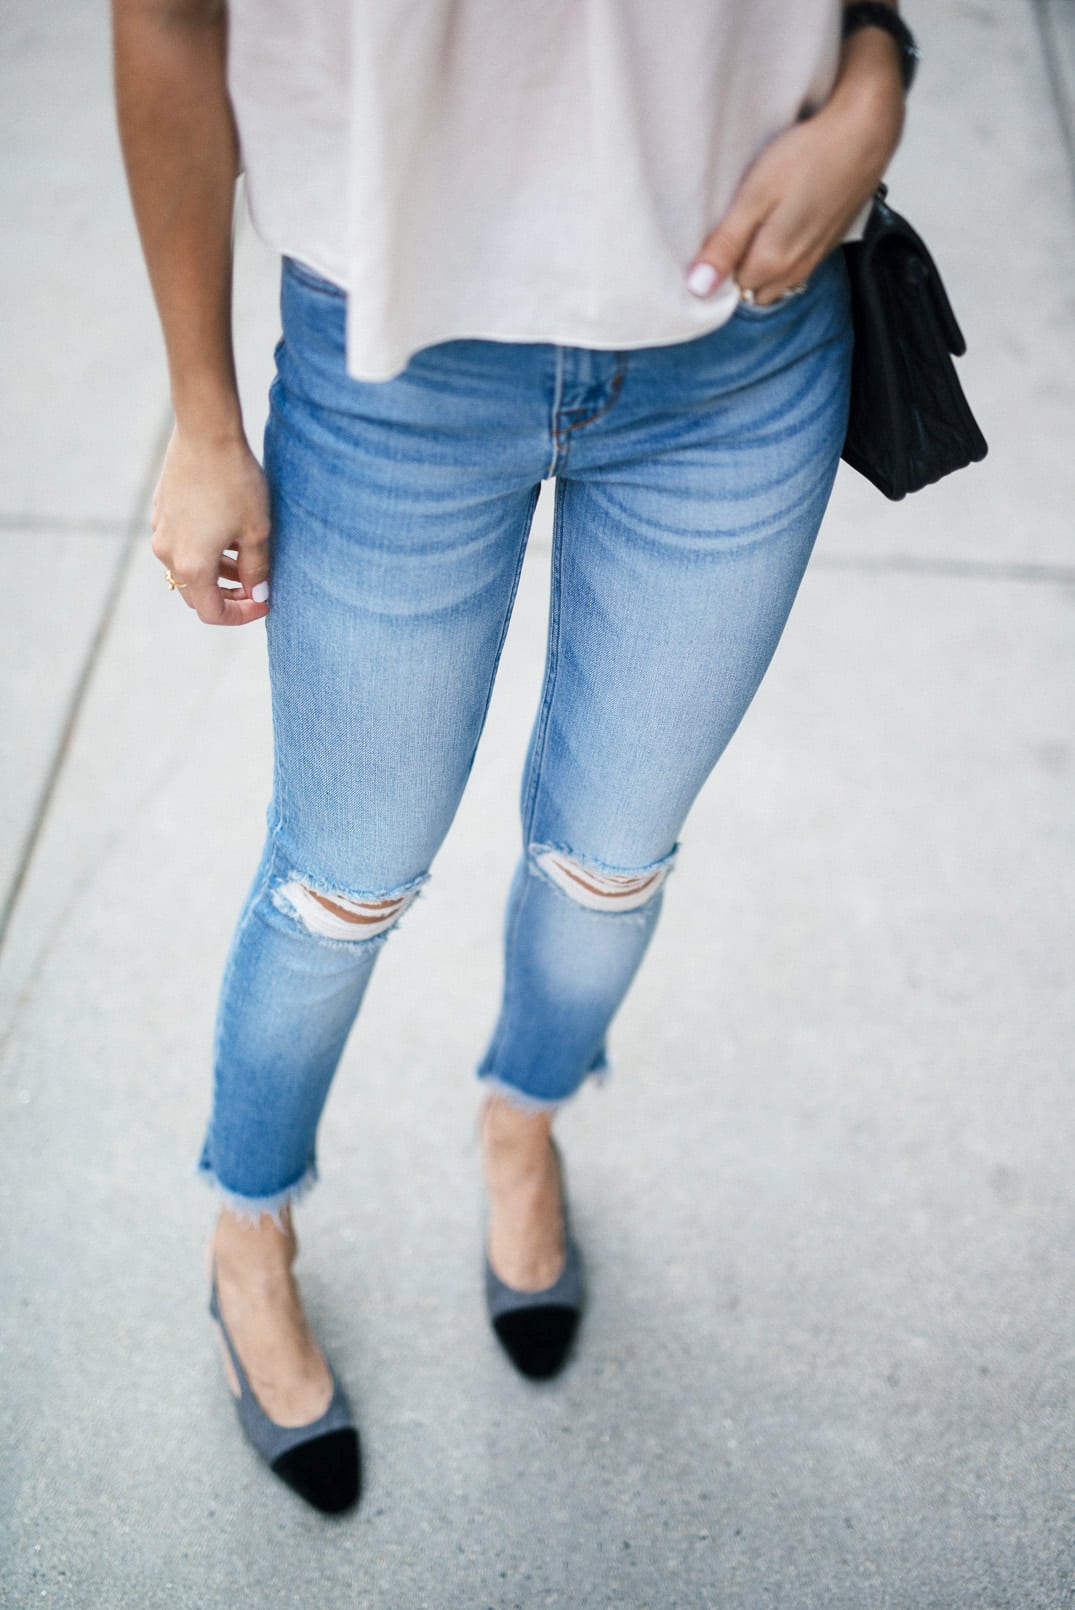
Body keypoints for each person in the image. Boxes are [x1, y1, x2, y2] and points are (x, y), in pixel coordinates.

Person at [112, 0, 912, 1515]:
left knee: (614, 856)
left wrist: (878, 79)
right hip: (396, 366)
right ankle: (248, 1228)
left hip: (739, 351)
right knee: (342, 873)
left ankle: (522, 1117)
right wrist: (203, 412)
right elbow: (162, 20)